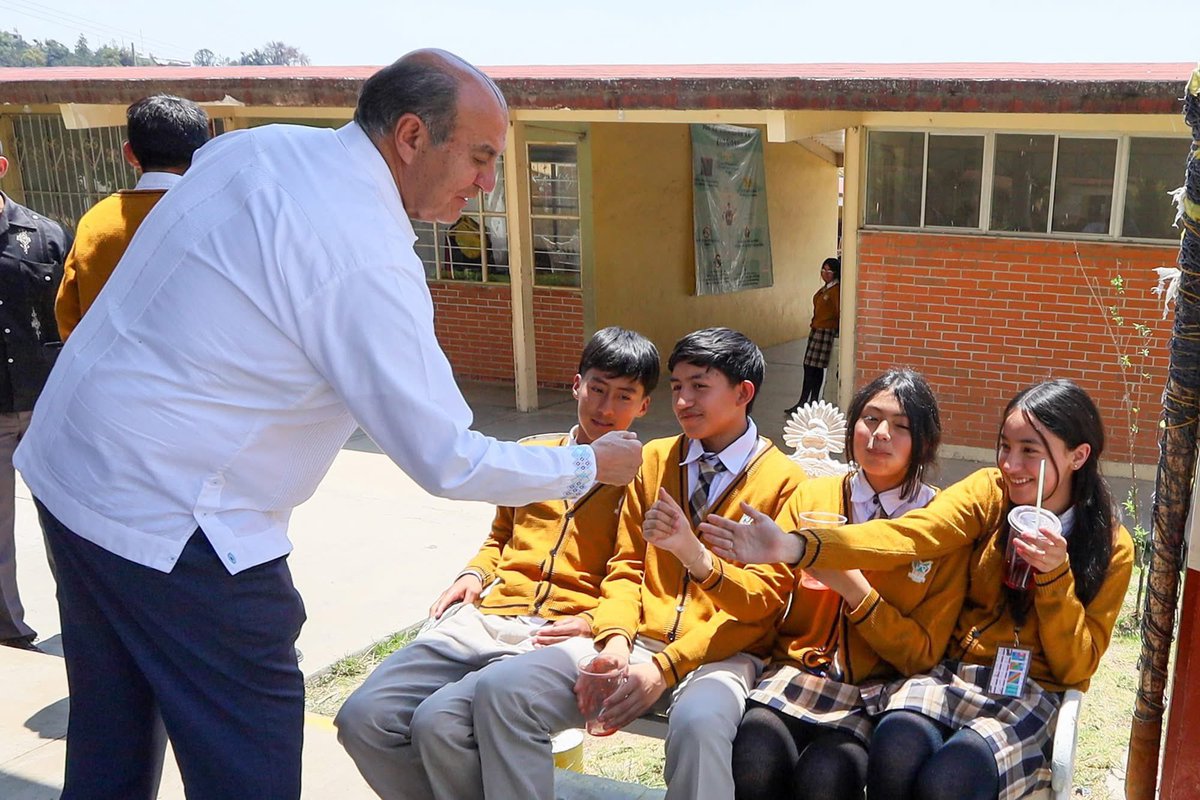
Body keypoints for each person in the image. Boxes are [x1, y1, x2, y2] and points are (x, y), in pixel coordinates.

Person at [12, 49, 644, 800]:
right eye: (480, 157)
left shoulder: (262, 146)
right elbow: (448, 459)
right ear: (412, 136)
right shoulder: (362, 253)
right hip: (175, 517)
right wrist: (587, 465)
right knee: (247, 753)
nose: (487, 182)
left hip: (73, 466)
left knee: (112, 722)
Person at [420, 327, 806, 800]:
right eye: (677, 386)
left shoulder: (786, 482)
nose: (683, 401)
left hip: (721, 654)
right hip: (635, 639)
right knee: (503, 692)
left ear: (743, 393)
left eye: (699, 387)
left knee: (700, 724)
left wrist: (671, 649)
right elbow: (626, 567)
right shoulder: (653, 459)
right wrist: (616, 642)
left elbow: (764, 605)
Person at [703, 379, 1134, 800]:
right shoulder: (990, 492)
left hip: (1027, 692)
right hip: (954, 674)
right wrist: (799, 546)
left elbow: (1075, 668)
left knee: (949, 782)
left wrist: (1055, 577)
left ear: (1078, 456)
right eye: (1005, 446)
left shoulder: (1112, 547)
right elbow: (913, 534)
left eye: (1030, 451)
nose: (1010, 465)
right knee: (895, 743)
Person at [334, 326, 660, 800]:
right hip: (488, 617)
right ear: (576, 385)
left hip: (559, 636)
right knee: (363, 717)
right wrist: (475, 573)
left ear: (643, 405)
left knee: (440, 724)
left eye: (624, 396)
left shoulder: (648, 477)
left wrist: (595, 621)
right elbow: (500, 537)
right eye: (597, 389)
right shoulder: (533, 459)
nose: (606, 408)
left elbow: (641, 574)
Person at [731, 369, 968, 800]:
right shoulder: (813, 498)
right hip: (797, 671)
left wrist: (856, 592)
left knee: (826, 775)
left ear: (925, 442)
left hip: (877, 690)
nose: (880, 434)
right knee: (754, 752)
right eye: (870, 418)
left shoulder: (939, 525)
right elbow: (766, 591)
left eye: (901, 426)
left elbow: (922, 653)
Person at [55, 94, 211, 341]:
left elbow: (68, 316)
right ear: (203, 152)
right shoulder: (215, 214)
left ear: (129, 154)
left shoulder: (95, 222)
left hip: (112, 363)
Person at [0, 141, 71, 652]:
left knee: (70, 522)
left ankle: (88, 621)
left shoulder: (45, 234)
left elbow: (72, 315)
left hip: (48, 406)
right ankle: (9, 630)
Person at [787, 257, 840, 413]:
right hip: (817, 329)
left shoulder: (835, 290)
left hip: (825, 331)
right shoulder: (825, 289)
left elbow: (839, 312)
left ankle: (809, 401)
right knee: (810, 367)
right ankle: (807, 401)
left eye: (829, 270)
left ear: (836, 272)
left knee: (813, 367)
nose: (825, 273)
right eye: (823, 270)